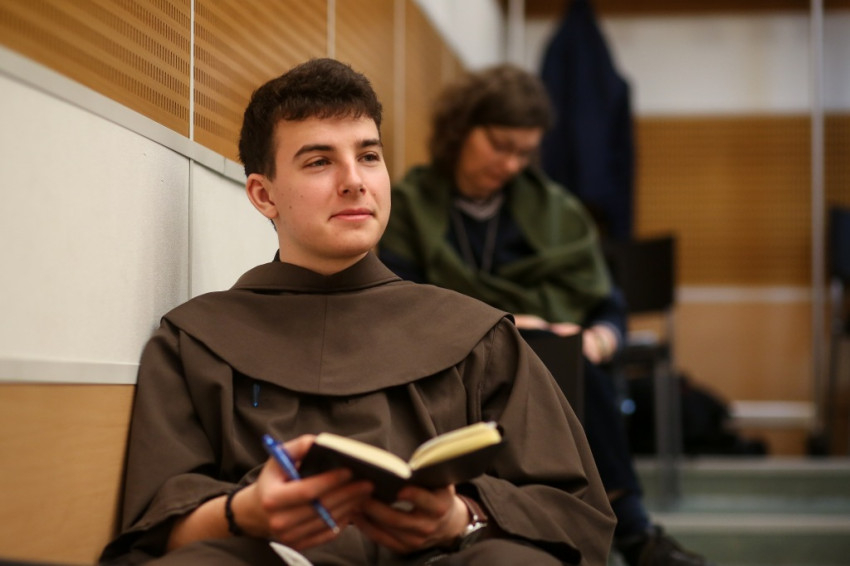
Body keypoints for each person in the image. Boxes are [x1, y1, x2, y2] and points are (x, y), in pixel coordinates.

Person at [99, 58, 616, 566]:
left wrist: (461, 518)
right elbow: (153, 530)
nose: (354, 181)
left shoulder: (478, 336)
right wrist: (244, 512)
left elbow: (574, 513)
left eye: (368, 156)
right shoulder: (195, 342)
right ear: (263, 194)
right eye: (319, 162)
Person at [378, 64, 710, 566]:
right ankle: (625, 533)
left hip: (559, 360)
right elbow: (404, 303)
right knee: (537, 355)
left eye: (524, 152)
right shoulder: (409, 205)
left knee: (572, 361)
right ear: (460, 129)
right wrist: (506, 326)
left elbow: (607, 306)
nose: (511, 164)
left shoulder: (555, 209)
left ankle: (625, 531)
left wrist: (600, 339)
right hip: (455, 361)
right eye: (500, 145)